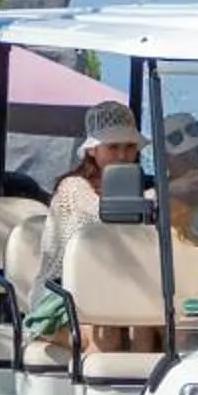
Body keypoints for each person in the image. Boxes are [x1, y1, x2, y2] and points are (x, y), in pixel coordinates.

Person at [36, 101, 146, 349]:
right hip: (65, 296)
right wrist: (154, 201)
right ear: (92, 151)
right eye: (113, 147)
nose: (122, 155)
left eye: (129, 147)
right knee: (106, 332)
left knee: (147, 327)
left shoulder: (143, 190)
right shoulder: (73, 189)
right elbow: (99, 218)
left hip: (125, 292)